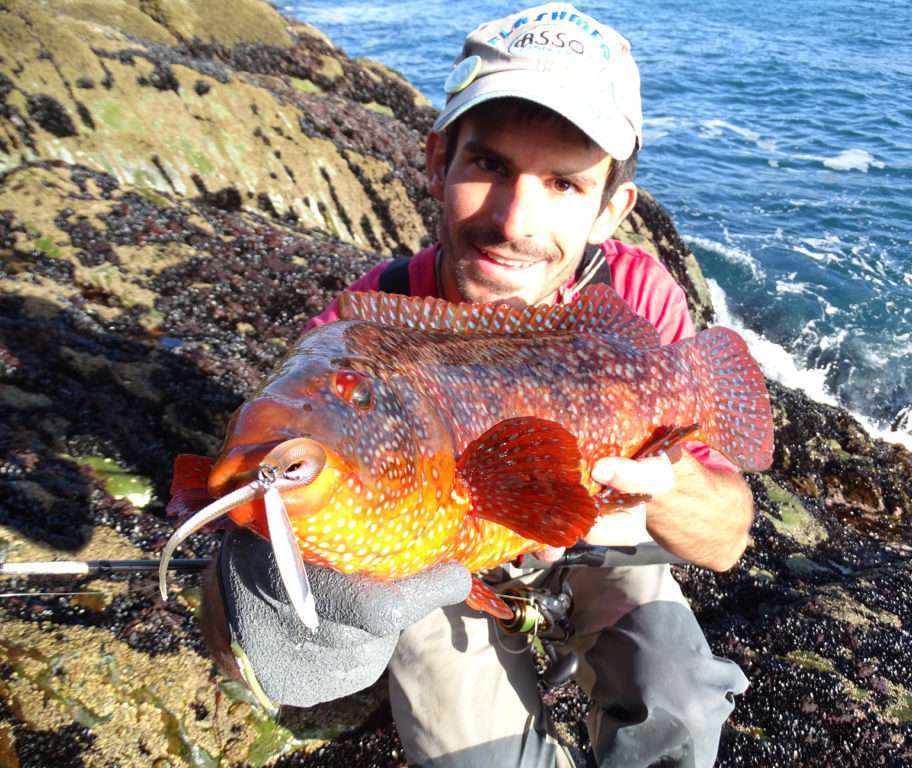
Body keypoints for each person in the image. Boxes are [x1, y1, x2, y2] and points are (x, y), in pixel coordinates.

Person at [200, 5, 754, 767]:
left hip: (589, 527)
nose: (514, 220)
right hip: (440, 541)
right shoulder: (358, 330)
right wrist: (264, 603)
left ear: (611, 211)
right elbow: (257, 499)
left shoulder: (634, 301)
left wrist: (665, 481)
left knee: (681, 694)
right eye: (490, 165)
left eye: (563, 183)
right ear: (437, 163)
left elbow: (726, 541)